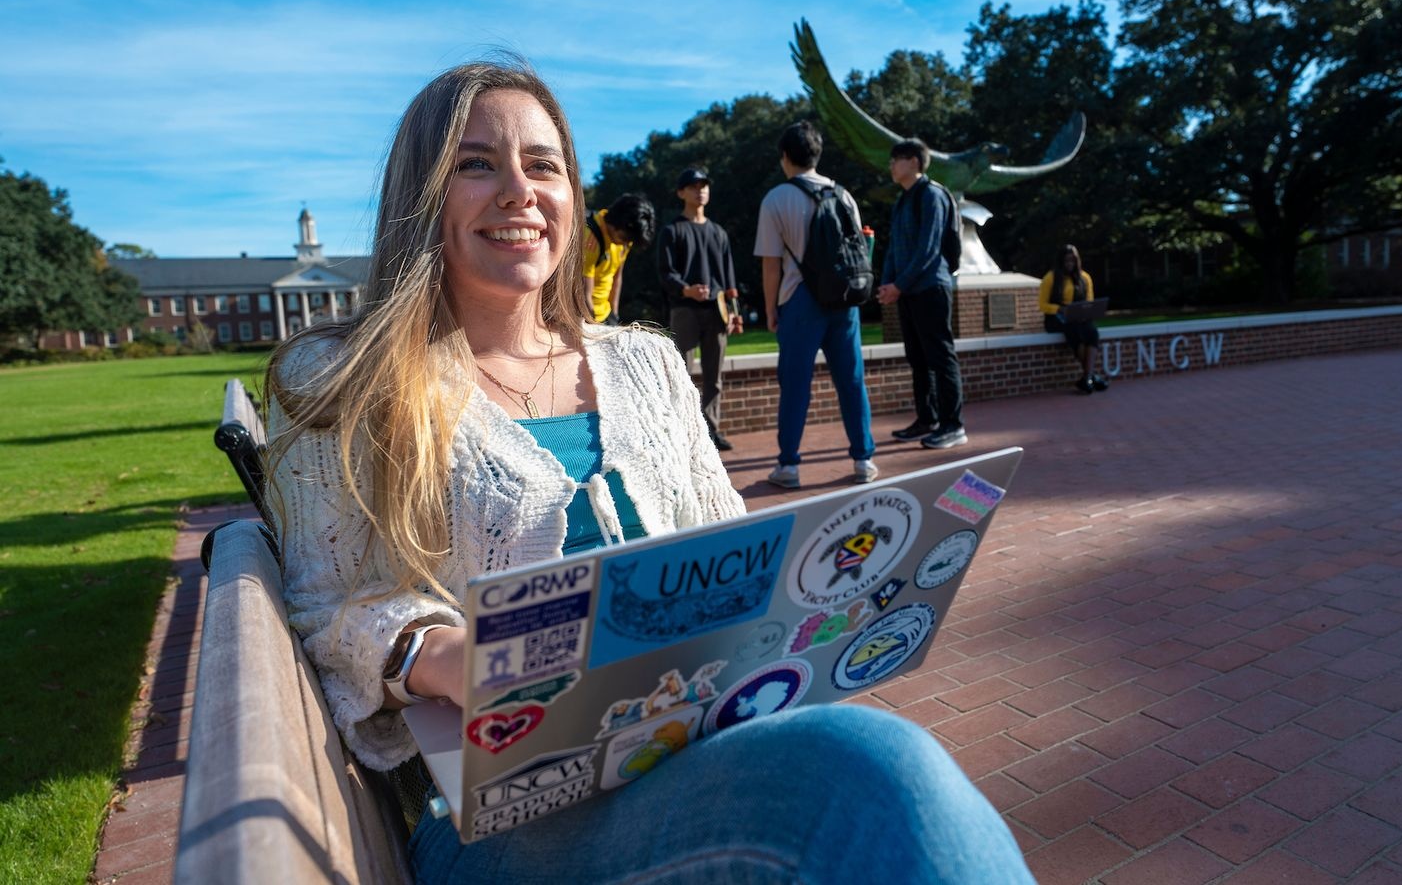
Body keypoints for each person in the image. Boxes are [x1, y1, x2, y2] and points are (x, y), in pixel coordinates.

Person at [264, 59, 1035, 885]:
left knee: (868, 784)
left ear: (573, 197)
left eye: (544, 165)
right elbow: (327, 603)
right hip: (503, 816)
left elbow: (735, 547)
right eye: (476, 163)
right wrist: (448, 655)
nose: (519, 191)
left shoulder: (647, 364)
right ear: (421, 196)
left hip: (691, 752)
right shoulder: (346, 380)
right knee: (874, 778)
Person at [754, 120, 877, 489]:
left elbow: (771, 262)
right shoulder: (844, 195)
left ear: (785, 156)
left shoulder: (776, 199)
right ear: (817, 154)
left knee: (795, 384)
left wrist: (771, 307)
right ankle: (863, 459)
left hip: (800, 299)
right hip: (844, 299)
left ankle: (789, 465)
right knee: (852, 381)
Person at [879, 138, 967, 450]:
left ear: (914, 162)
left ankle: (952, 424)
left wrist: (898, 285)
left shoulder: (932, 196)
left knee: (940, 356)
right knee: (917, 358)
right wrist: (888, 282)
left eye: (896, 159)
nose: (891, 165)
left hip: (931, 287)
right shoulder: (903, 200)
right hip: (908, 291)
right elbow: (894, 247)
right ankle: (926, 418)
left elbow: (929, 249)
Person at [656, 166, 742, 452]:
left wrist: (734, 311)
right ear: (681, 192)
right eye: (693, 186)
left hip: (718, 312)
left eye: (704, 185)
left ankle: (712, 431)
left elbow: (729, 278)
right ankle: (682, 433)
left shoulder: (718, 233)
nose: (700, 190)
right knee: (682, 375)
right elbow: (665, 274)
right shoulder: (672, 231)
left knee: (714, 376)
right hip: (684, 311)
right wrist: (686, 289)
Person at [1038, 243, 1109, 394]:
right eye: (1066, 261)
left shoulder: (1085, 278)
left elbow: (1089, 301)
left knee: (1092, 332)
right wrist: (1060, 309)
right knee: (1076, 332)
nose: (1069, 264)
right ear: (1061, 261)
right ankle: (1091, 377)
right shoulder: (1050, 278)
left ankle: (1087, 378)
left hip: (1080, 317)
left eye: (1072, 261)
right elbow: (1042, 305)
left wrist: (1086, 311)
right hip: (1057, 318)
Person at [581, 193, 654, 325]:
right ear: (614, 223)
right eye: (624, 239)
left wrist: (614, 315)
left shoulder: (626, 239)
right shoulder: (590, 239)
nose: (625, 244)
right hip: (585, 314)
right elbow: (584, 294)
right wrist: (595, 327)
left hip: (606, 313)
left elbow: (617, 277)